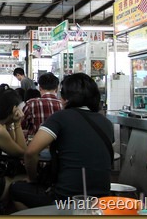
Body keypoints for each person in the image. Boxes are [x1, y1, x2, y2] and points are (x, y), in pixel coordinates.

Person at [10, 73, 113, 210]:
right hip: (102, 200)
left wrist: (32, 179)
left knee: (15, 189)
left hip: (65, 198)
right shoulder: (107, 123)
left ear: (64, 98)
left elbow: (30, 152)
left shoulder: (61, 117)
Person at [21, 73, 63, 139]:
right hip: (57, 146)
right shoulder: (63, 105)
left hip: (34, 144)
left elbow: (22, 125)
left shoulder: (31, 103)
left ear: (40, 88)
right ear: (57, 89)